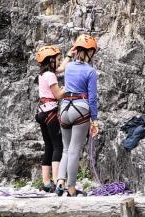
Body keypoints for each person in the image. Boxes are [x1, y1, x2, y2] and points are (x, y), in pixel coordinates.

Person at [56, 34, 100, 197]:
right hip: (80, 108)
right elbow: (92, 98)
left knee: (66, 150)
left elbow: (61, 74)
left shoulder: (69, 67)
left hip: (65, 108)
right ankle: (72, 188)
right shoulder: (90, 72)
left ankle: (60, 182)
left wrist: (69, 55)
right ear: (89, 52)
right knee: (74, 150)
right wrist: (94, 120)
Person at [35, 46, 65, 193]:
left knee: (48, 146)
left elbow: (60, 69)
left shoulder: (43, 74)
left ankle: (46, 182)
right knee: (58, 146)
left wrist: (69, 57)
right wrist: (67, 87)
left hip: (41, 113)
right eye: (58, 59)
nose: (59, 62)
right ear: (51, 60)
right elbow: (58, 95)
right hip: (50, 113)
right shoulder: (51, 76)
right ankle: (56, 181)